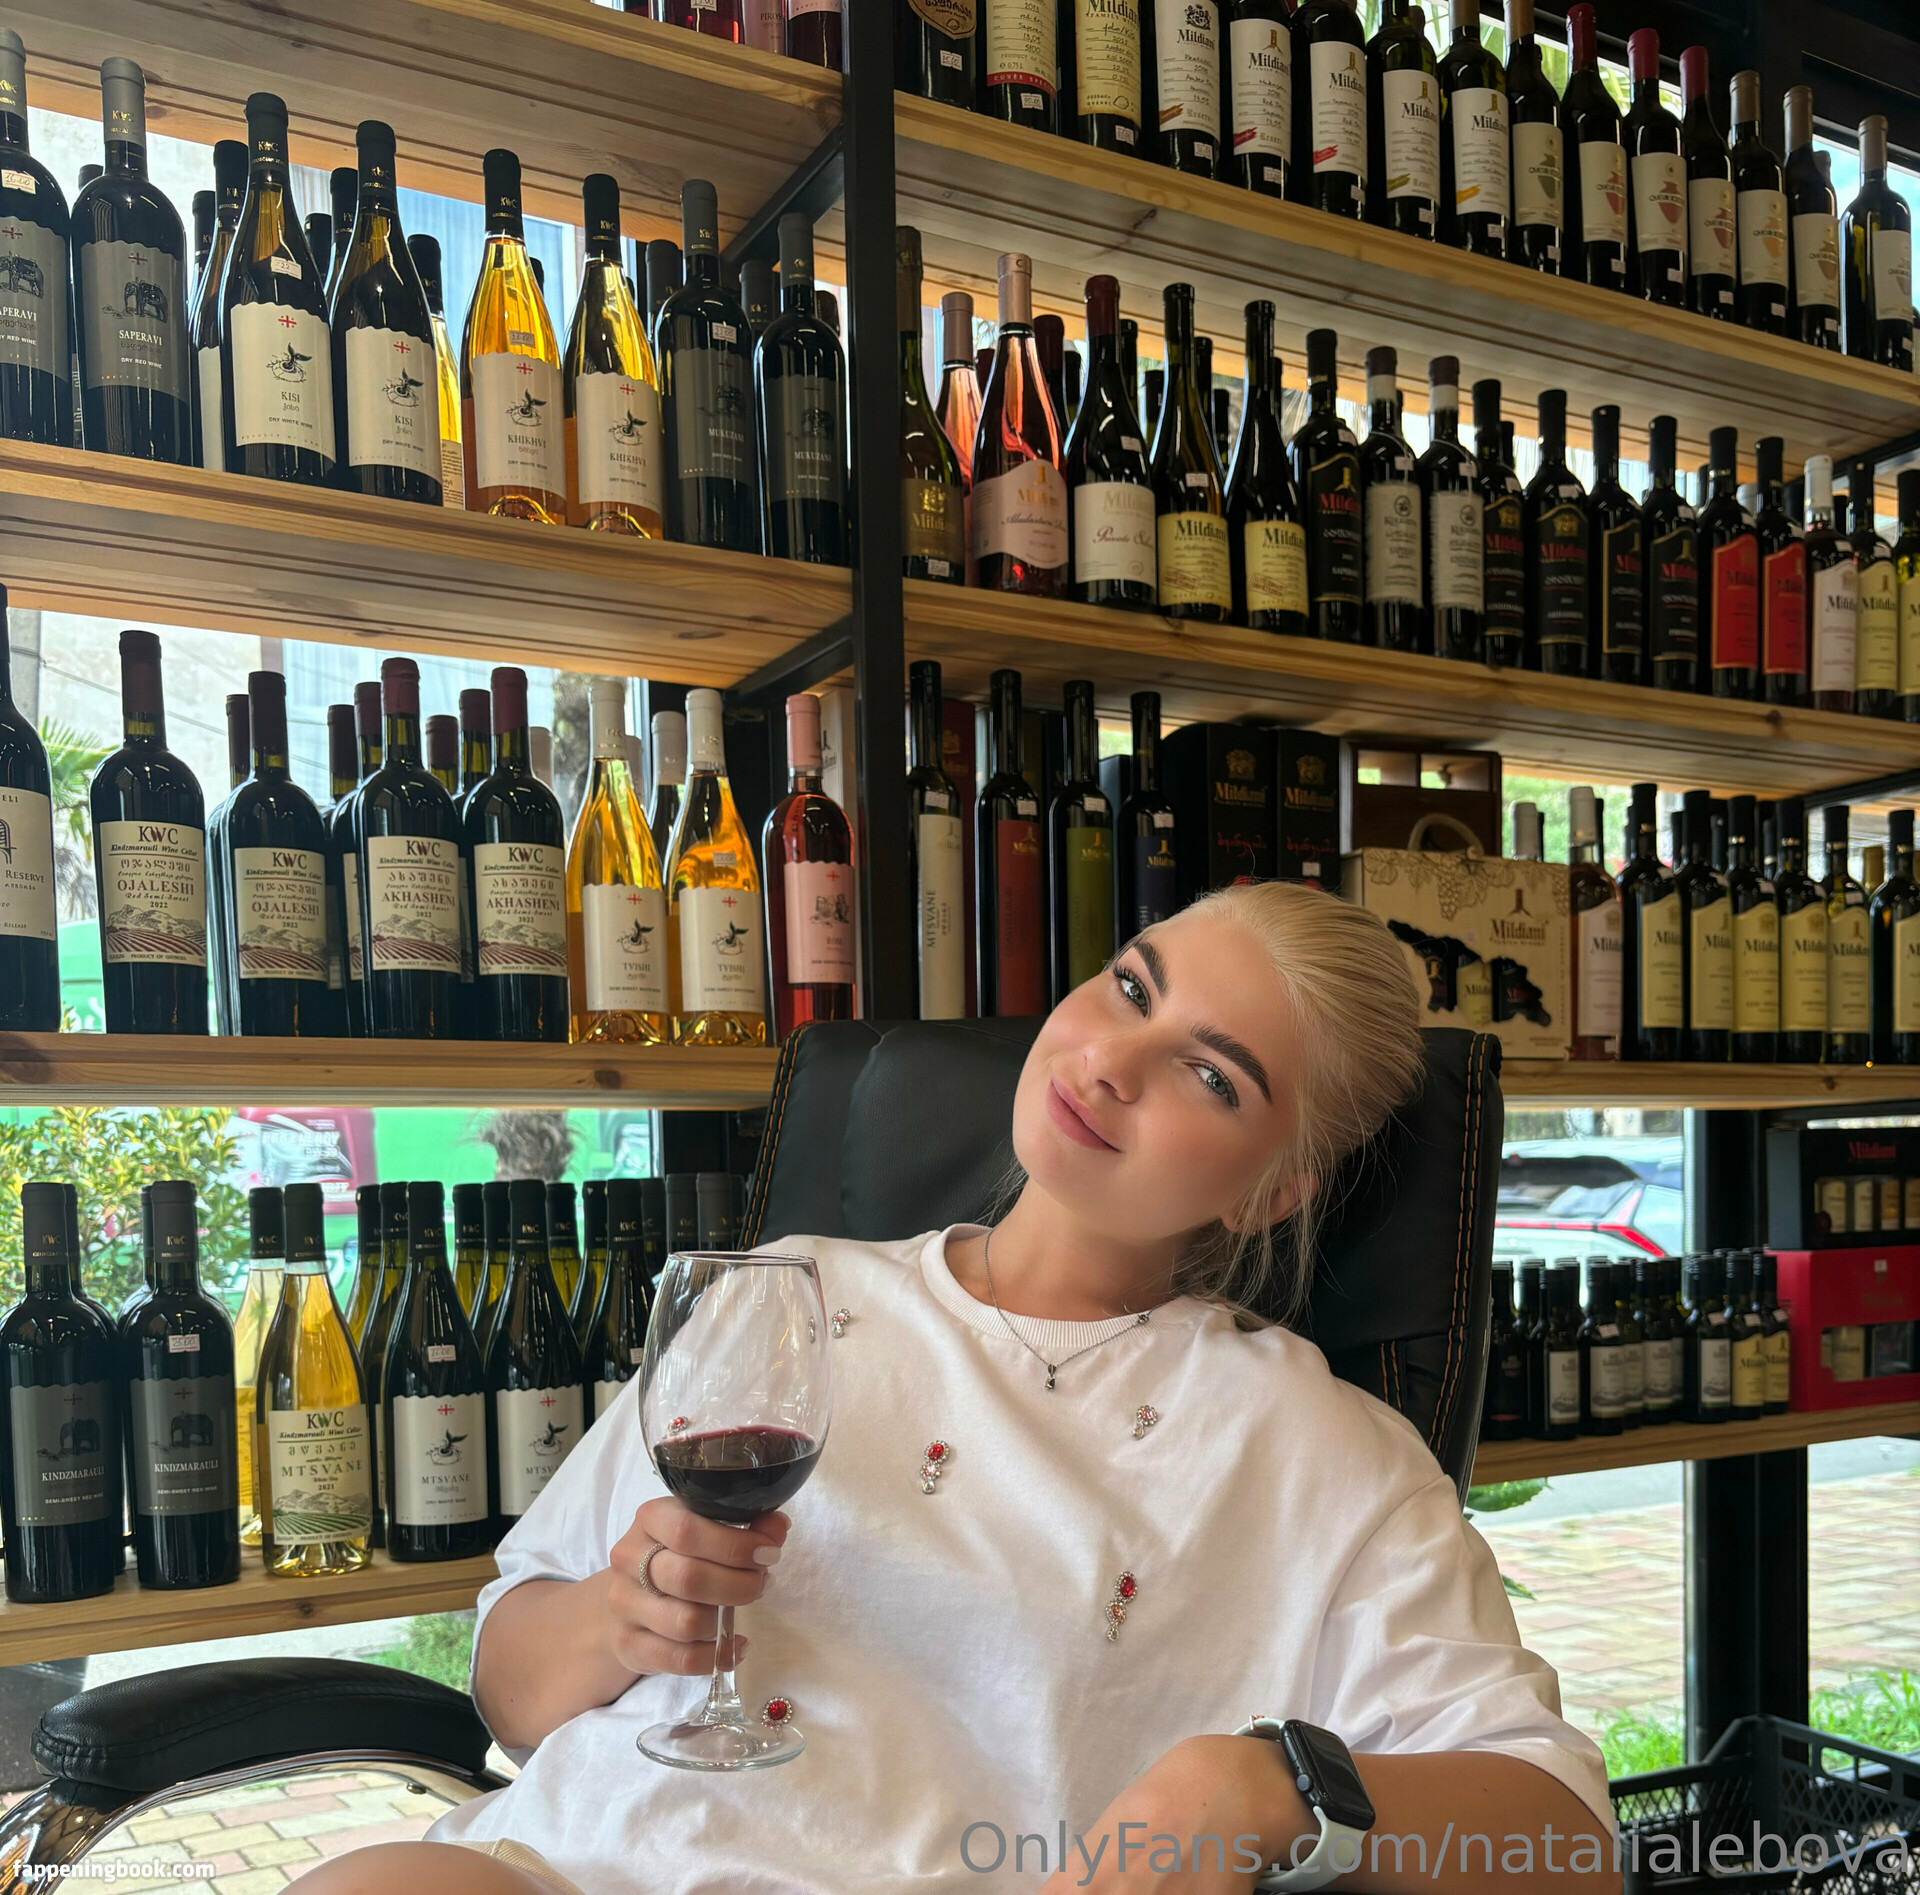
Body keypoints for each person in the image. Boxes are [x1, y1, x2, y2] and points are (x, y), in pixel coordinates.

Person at [299, 883, 1617, 1895]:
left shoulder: (1320, 1451)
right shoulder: (781, 1295)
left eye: (1212, 1076)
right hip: (566, 1864)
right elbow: (513, 1696)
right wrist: (618, 1618)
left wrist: (1258, 1790)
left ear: (1272, 1193)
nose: (1112, 1062)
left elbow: (1564, 1841)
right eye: (1129, 987)